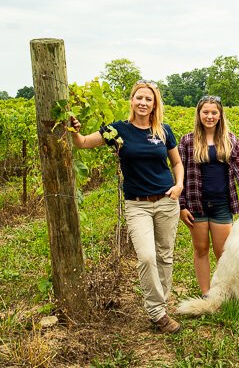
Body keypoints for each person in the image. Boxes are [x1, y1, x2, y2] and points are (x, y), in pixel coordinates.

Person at [69, 80, 184, 334]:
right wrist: (75, 131)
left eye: (148, 99)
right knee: (146, 257)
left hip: (166, 201)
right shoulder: (117, 130)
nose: (143, 103)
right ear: (131, 100)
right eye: (139, 98)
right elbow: (84, 143)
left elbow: (177, 163)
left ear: (155, 104)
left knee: (165, 255)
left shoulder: (163, 130)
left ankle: (161, 305)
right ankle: (157, 312)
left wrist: (179, 185)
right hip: (137, 205)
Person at [179, 95, 239, 296]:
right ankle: (206, 293)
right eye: (205, 112)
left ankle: (224, 292)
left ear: (220, 115)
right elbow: (179, 173)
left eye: (214, 112)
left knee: (223, 252)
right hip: (197, 204)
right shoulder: (188, 140)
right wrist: (181, 205)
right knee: (201, 249)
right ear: (199, 114)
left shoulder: (230, 140)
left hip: (222, 202)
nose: (209, 116)